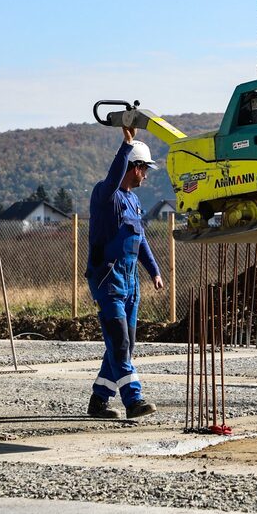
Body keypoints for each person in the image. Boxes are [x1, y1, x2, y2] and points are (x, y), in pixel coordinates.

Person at [85, 126, 164, 419]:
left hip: (130, 283)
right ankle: (134, 400)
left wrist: (153, 270)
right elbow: (112, 178)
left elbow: (140, 239)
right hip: (108, 280)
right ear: (135, 167)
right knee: (119, 342)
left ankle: (99, 400)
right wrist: (125, 146)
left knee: (124, 345)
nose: (146, 175)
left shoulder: (134, 201)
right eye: (144, 169)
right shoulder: (106, 195)